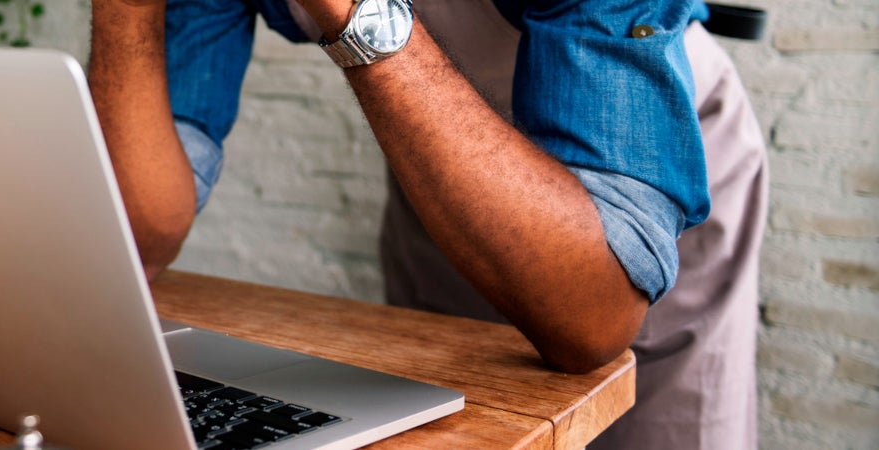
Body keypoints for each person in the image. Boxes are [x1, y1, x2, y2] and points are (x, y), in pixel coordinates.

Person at [88, 0, 766, 448]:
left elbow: (593, 320)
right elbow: (141, 230)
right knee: (460, 426)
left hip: (641, 196)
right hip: (439, 162)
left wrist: (348, 11)